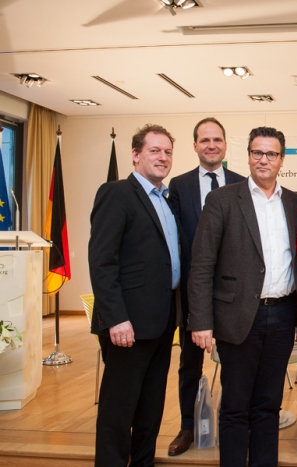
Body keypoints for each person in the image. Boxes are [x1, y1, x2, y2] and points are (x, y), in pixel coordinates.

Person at [188, 126, 297, 466]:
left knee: (268, 404)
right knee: (235, 405)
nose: (264, 160)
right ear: (247, 156)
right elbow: (201, 264)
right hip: (238, 317)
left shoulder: (294, 202)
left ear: (282, 160)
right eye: (257, 152)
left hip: (284, 315)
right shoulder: (223, 200)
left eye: (271, 154)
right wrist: (200, 320)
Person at [89, 124, 183, 466]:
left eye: (168, 152)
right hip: (127, 325)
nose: (162, 157)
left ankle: (143, 462)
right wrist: (115, 318)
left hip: (161, 322)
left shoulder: (166, 200)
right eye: (154, 150)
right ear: (136, 154)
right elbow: (102, 262)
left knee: (151, 406)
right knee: (118, 410)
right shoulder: (116, 193)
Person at [167, 117, 244, 457]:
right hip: (192, 292)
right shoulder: (179, 185)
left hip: (233, 293)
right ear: (195, 145)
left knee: (235, 363)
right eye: (204, 140)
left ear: (226, 144)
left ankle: (233, 425)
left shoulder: (243, 183)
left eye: (217, 139)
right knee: (189, 363)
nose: (211, 145)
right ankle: (188, 427)